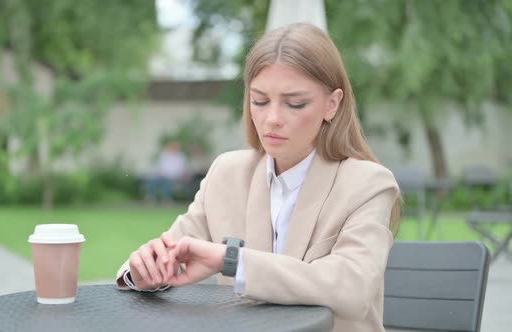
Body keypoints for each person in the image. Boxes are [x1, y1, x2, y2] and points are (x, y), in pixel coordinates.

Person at [117, 23, 401, 332]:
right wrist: (144, 271)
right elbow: (169, 251)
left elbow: (351, 289)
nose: (272, 119)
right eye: (260, 101)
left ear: (331, 104)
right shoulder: (227, 174)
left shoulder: (369, 184)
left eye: (295, 103)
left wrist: (233, 261)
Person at [144, 139, 187, 204]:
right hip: (162, 175)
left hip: (174, 177)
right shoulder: (165, 155)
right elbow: (160, 166)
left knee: (168, 182)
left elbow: (181, 170)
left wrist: (171, 175)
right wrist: (162, 173)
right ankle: (150, 198)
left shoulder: (181, 157)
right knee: (152, 180)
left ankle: (166, 199)